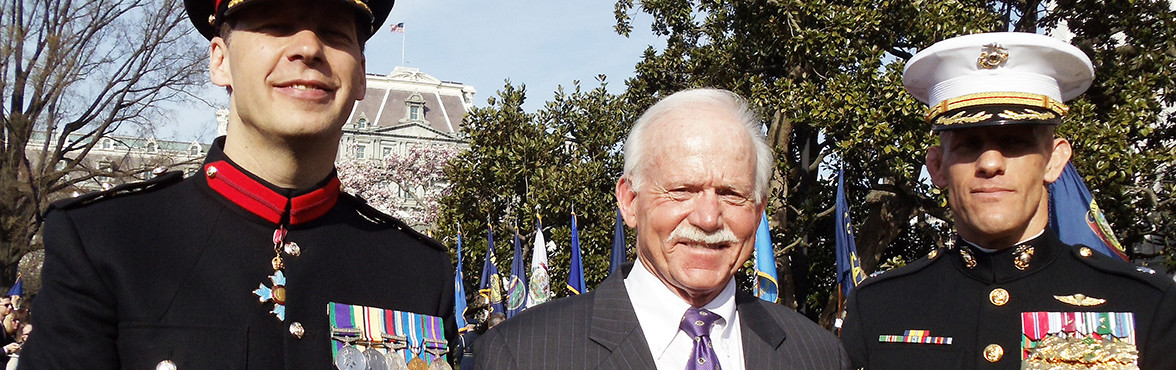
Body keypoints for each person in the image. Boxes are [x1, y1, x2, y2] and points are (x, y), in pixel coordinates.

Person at [21, 0, 457, 368]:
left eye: (334, 33)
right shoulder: (109, 243)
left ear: (360, 75)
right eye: (276, 25)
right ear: (220, 61)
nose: (308, 47)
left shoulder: (417, 271)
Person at [840, 32, 1176, 369]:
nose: (990, 164)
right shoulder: (879, 307)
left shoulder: (1146, 304)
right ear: (937, 168)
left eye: (1015, 143)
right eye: (968, 145)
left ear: (1054, 161)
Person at [476, 88, 850, 369]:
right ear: (629, 200)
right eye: (682, 191)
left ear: (758, 209)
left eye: (731, 194)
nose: (707, 218)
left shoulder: (818, 355)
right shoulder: (523, 353)